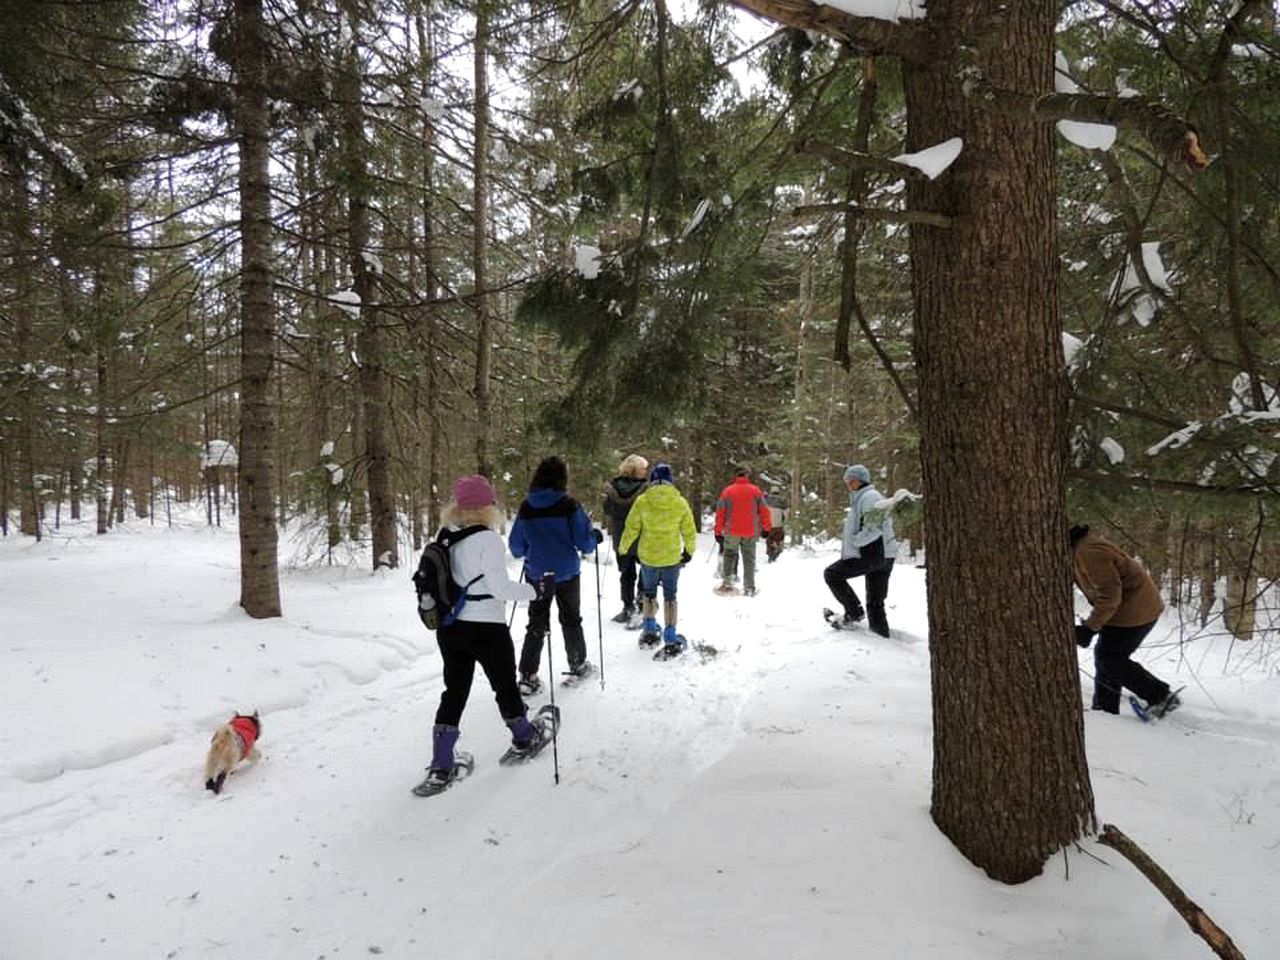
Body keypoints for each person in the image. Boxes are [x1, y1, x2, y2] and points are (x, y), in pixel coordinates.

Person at [412, 474, 556, 796]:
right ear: (487, 507)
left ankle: (441, 763)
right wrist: (538, 590)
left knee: (454, 692)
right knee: (504, 684)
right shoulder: (488, 540)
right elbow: (500, 588)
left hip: (451, 627)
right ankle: (524, 736)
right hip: (486, 627)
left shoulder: (446, 535)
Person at [509, 456, 602, 693]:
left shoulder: (527, 507)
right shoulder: (569, 505)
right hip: (567, 573)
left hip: (538, 573)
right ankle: (578, 664)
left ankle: (527, 675)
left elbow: (516, 547)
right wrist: (594, 537)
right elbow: (585, 543)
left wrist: (534, 547)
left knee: (536, 622)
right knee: (571, 619)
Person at [1071, 524, 1179, 717]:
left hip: (1134, 611)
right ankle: (1105, 710)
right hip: (1129, 609)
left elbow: (1110, 596)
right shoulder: (1080, 548)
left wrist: (1090, 628)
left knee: (1110, 659)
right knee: (1106, 657)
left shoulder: (1088, 553)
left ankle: (1161, 696)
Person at [619, 462, 697, 654]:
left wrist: (623, 548)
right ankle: (670, 635)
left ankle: (649, 629)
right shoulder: (679, 502)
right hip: (671, 558)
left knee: (649, 592)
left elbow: (631, 527)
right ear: (670, 481)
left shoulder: (643, 501)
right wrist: (689, 551)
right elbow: (689, 529)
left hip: (648, 557)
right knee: (670, 595)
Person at [823, 464, 897, 637]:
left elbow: (874, 527)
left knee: (832, 574)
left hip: (874, 553)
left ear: (859, 480)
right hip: (884, 554)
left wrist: (856, 541)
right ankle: (881, 636)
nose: (848, 484)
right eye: (847, 480)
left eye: (850, 480)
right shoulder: (865, 497)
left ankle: (854, 612)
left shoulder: (869, 497)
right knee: (875, 601)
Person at [602, 454, 649, 625]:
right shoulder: (646, 488)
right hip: (642, 535)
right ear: (636, 470)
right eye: (643, 468)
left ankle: (628, 607)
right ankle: (642, 603)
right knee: (646, 570)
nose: (646, 471)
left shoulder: (613, 488)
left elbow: (607, 509)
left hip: (621, 537)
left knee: (626, 574)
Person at [713, 467, 772, 596]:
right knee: (749, 559)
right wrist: (766, 528)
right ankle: (749, 587)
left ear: (736, 476)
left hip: (731, 530)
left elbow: (720, 512)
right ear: (747, 476)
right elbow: (764, 510)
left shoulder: (727, 491)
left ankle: (728, 583)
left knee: (729, 555)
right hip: (750, 530)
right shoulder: (755, 491)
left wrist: (718, 531)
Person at [763, 489, 788, 563]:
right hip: (778, 525)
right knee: (779, 539)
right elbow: (786, 514)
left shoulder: (766, 501)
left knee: (769, 539)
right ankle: (777, 551)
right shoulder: (782, 502)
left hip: (768, 525)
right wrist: (783, 522)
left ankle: (770, 553)